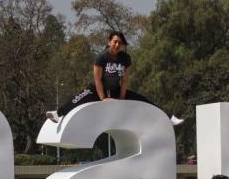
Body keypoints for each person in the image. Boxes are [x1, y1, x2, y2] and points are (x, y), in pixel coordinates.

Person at [45, 31, 183, 126]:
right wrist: (103, 98)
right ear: (109, 42)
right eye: (115, 42)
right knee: (77, 98)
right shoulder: (101, 57)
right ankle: (57, 113)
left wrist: (122, 98)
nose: (117, 45)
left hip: (115, 89)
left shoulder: (125, 58)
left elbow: (125, 80)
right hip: (96, 90)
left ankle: (169, 118)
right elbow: (98, 79)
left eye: (120, 43)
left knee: (143, 100)